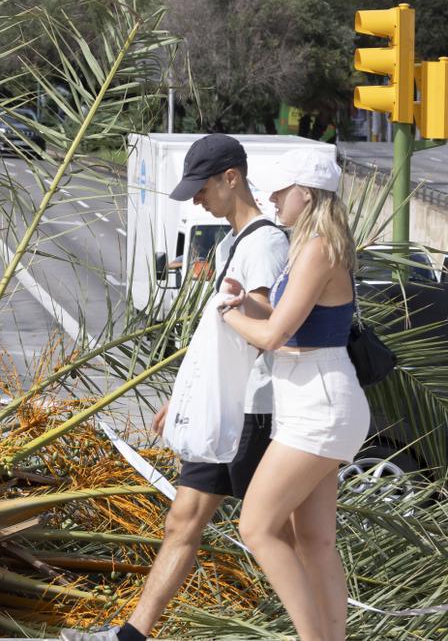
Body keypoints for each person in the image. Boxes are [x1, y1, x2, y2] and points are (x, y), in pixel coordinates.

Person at [62, 134, 290, 641]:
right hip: (227, 408)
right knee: (186, 521)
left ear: (232, 177)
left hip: (250, 414)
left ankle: (320, 628)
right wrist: (185, 394)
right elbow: (221, 337)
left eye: (201, 188)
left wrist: (236, 307)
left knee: (282, 536)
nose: (195, 200)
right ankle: (131, 636)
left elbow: (270, 323)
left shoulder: (267, 244)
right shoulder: (234, 242)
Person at [219, 149, 366, 641]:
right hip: (316, 400)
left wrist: (225, 312)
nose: (272, 198)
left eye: (281, 190)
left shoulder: (319, 248)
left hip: (318, 405)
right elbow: (289, 325)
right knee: (316, 541)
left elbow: (274, 337)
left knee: (256, 527)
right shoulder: (314, 246)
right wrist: (249, 307)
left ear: (307, 192)